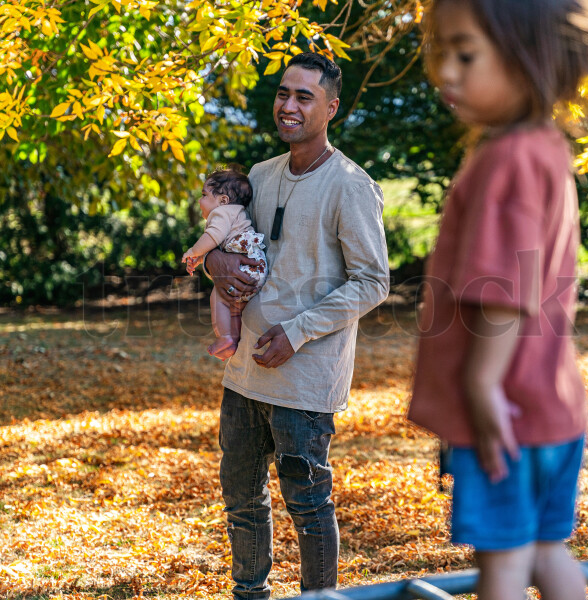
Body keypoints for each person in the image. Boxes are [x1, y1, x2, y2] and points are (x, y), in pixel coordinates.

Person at [407, 1, 588, 600]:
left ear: (529, 60)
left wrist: (483, 386)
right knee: (546, 550)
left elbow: (505, 288)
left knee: (504, 565)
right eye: (443, 53)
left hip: (505, 413)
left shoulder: (507, 159)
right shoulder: (547, 150)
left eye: (466, 54)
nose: (447, 72)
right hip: (551, 408)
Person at [202, 52, 389, 599]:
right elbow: (229, 239)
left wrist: (298, 330)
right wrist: (214, 263)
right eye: (284, 93)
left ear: (330, 108)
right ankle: (250, 593)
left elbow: (373, 281)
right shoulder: (260, 176)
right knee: (241, 498)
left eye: (304, 96)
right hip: (244, 373)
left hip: (305, 377)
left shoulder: (351, 185)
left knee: (307, 505)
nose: (289, 104)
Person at [182, 168, 267, 360]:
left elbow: (212, 236)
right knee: (234, 307)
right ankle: (233, 341)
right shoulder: (238, 213)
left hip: (243, 268)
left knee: (218, 296)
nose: (199, 200)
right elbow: (220, 246)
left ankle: (224, 336)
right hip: (255, 268)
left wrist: (193, 251)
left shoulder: (221, 214)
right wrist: (202, 257)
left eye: (204, 195)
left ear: (223, 200)